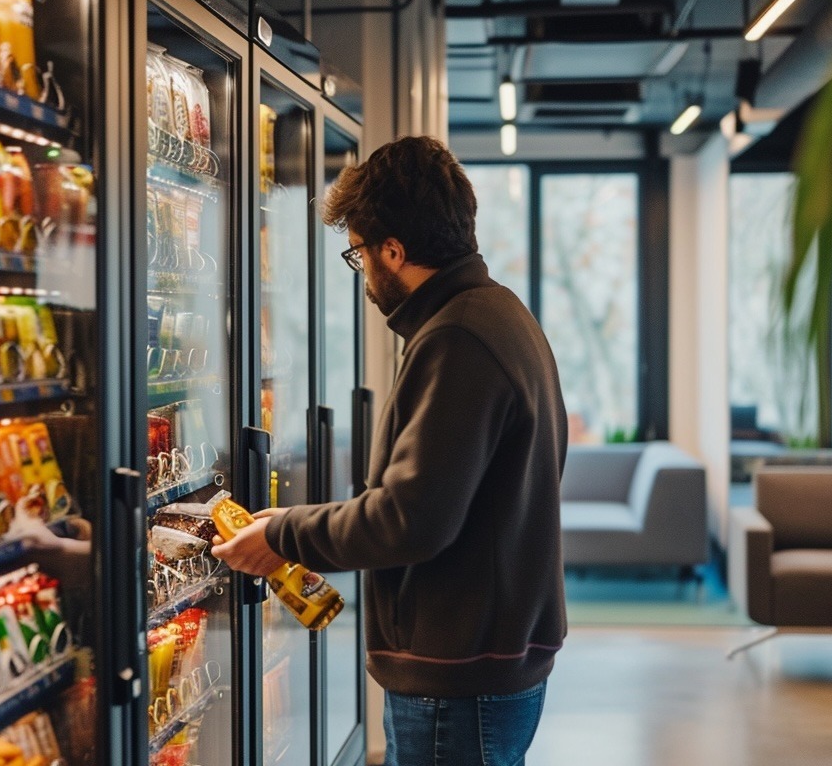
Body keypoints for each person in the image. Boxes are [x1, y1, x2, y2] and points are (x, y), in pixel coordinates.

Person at [211, 135, 568, 766]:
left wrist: (287, 534)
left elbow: (411, 520)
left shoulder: (457, 338)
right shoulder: (498, 315)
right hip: (489, 663)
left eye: (359, 254)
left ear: (394, 251)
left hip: (458, 679)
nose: (365, 277)